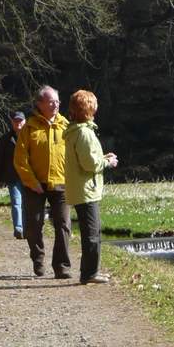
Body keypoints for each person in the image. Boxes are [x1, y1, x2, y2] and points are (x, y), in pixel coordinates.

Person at [13, 86, 72, 278]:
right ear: (40, 104)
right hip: (35, 185)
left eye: (57, 101)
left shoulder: (66, 125)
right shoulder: (29, 127)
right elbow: (20, 160)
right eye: (51, 101)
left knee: (63, 225)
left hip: (61, 183)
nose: (55, 105)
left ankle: (62, 266)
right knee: (34, 225)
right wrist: (31, 181)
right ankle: (38, 260)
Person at [65, 90, 118, 285]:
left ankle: (90, 271)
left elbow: (86, 159)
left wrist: (102, 158)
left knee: (90, 233)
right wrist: (108, 163)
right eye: (94, 105)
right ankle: (89, 274)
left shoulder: (75, 131)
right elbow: (89, 165)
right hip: (86, 190)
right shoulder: (83, 133)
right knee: (92, 234)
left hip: (81, 188)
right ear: (89, 109)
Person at [0, 111, 26, 239]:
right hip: (13, 176)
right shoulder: (6, 139)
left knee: (27, 204)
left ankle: (27, 227)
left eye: (20, 120)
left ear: (25, 121)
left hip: (28, 176)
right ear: (12, 122)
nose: (18, 123)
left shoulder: (31, 137)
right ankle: (19, 228)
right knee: (16, 202)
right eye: (15, 121)